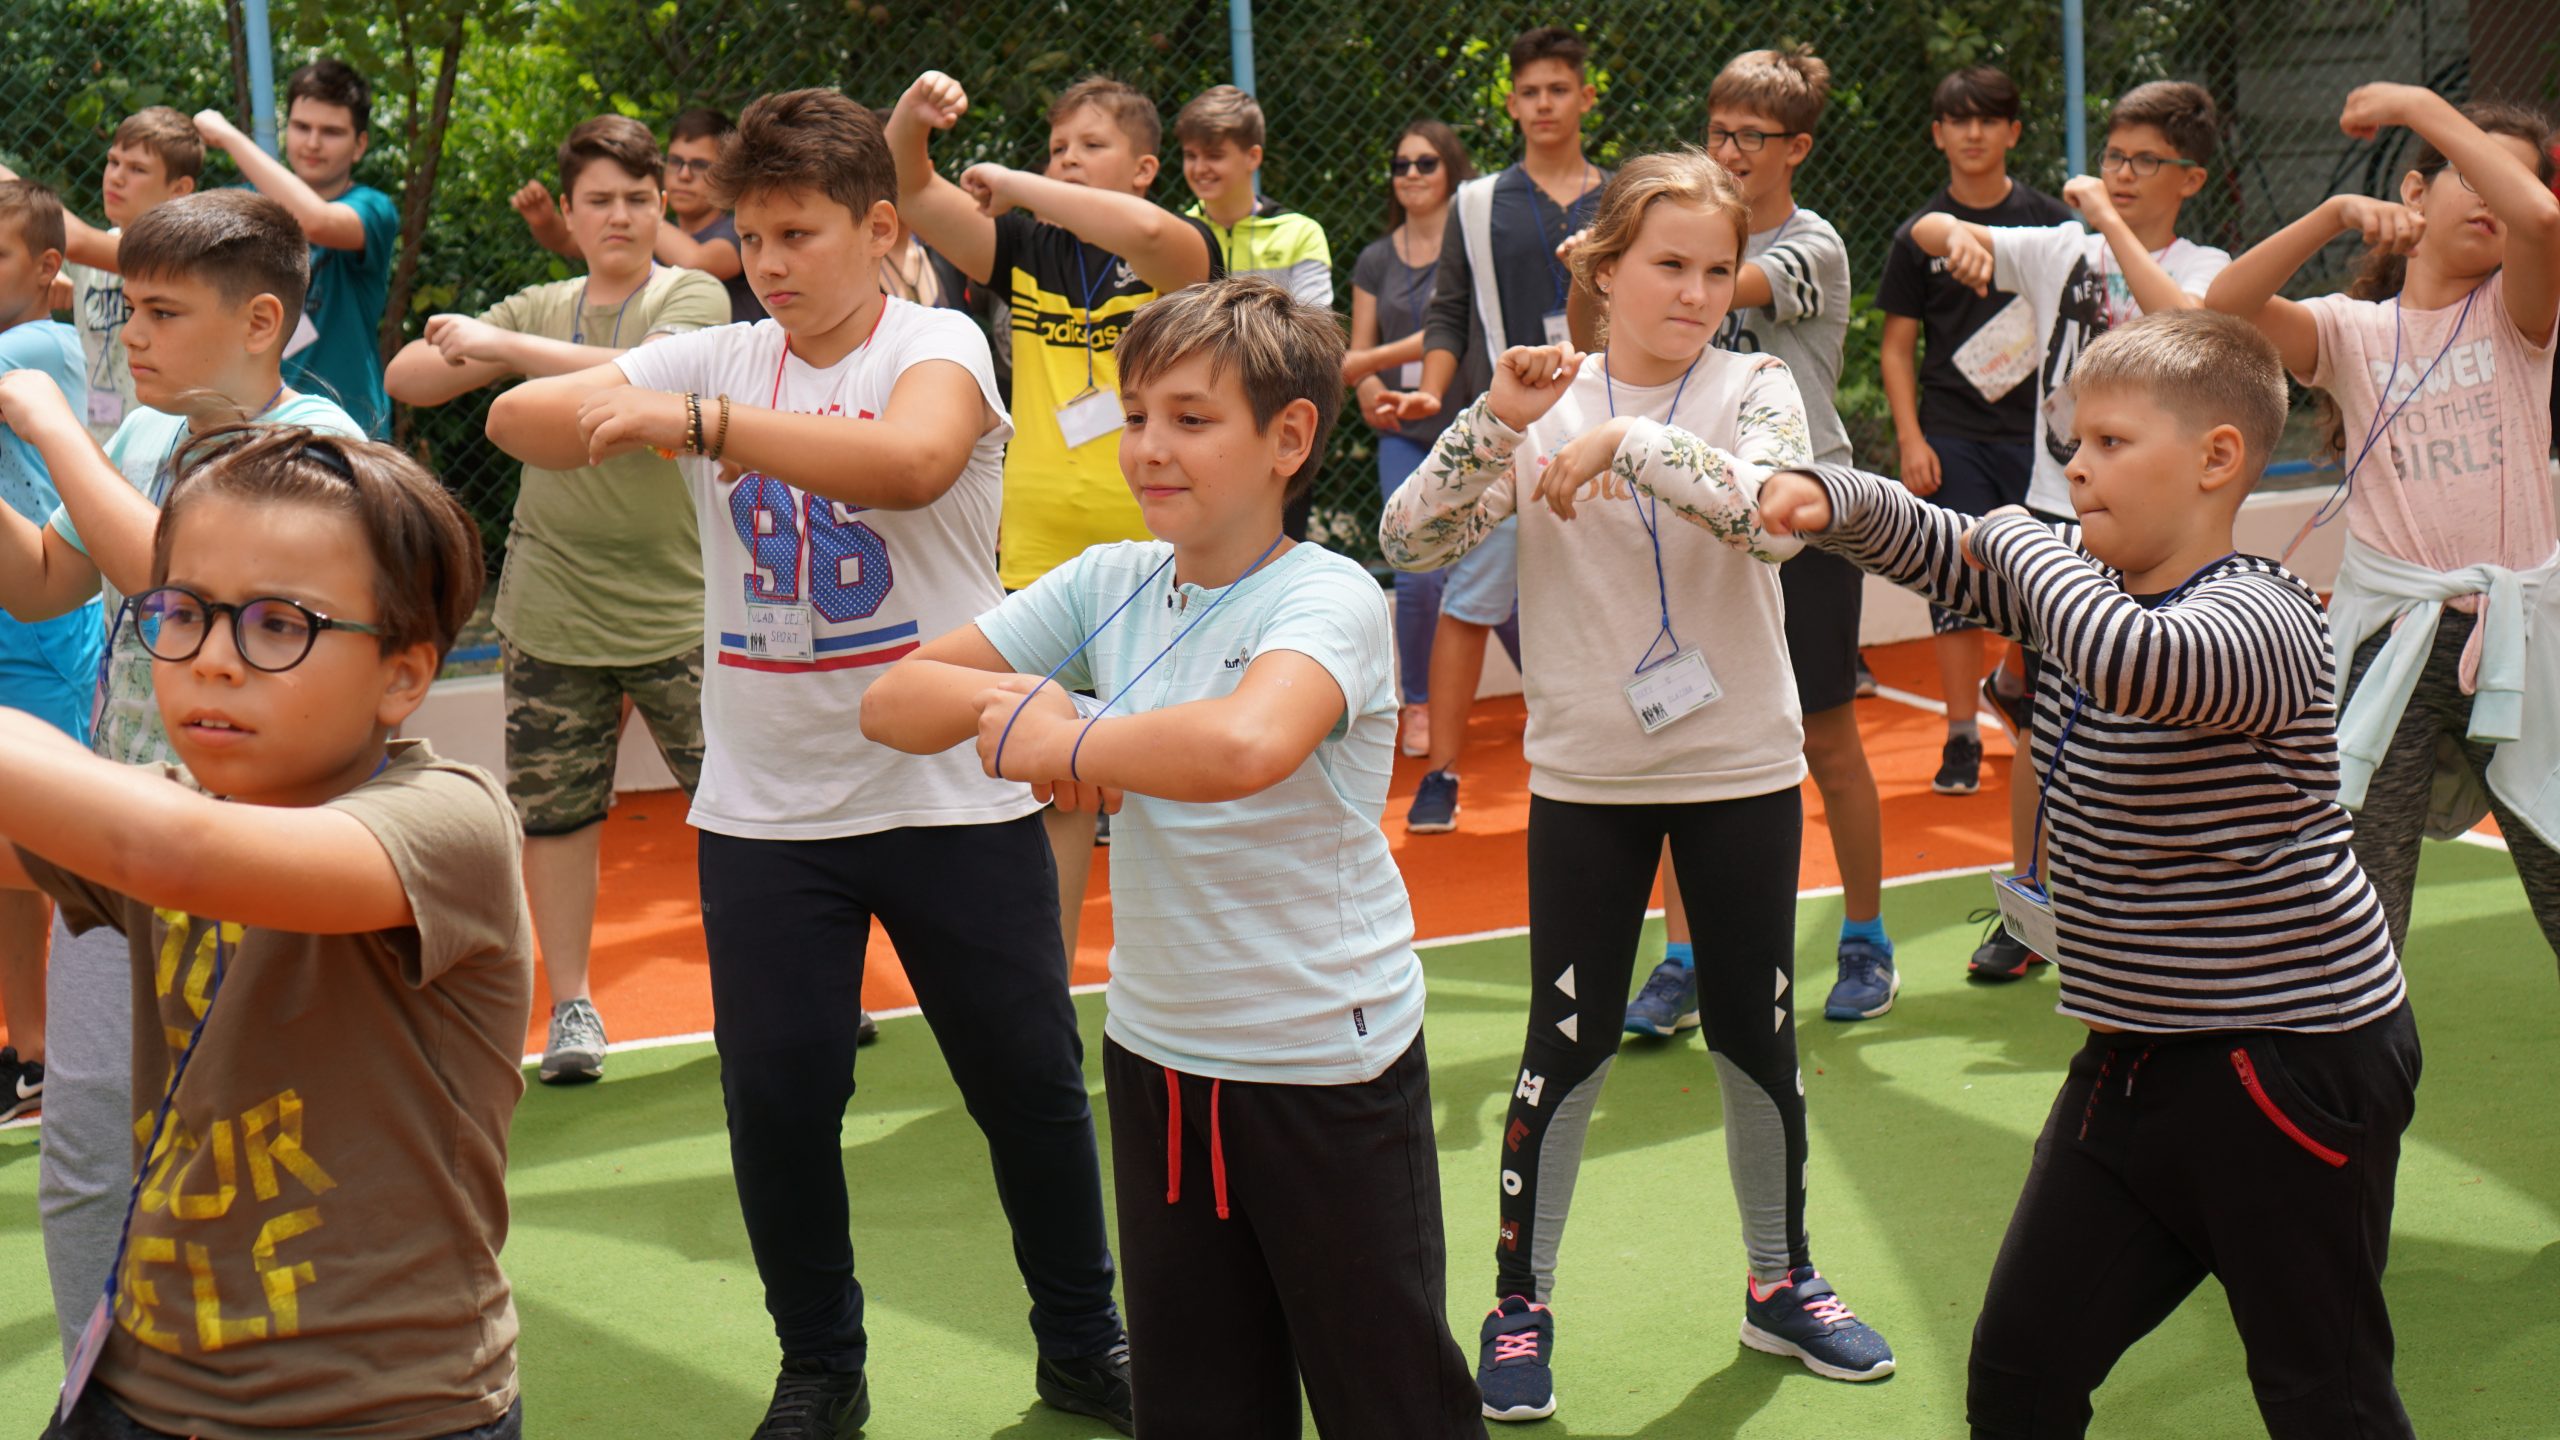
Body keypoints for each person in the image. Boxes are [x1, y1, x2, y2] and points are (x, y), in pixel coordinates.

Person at [485, 88, 1132, 1439]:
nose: (771, 263)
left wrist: (695, 425)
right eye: (753, 236)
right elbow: (517, 427)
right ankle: (821, 1369)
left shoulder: (934, 341)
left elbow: (912, 462)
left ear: (880, 229)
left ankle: (1084, 1343)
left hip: (949, 795)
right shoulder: (720, 355)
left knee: (1026, 1087)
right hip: (768, 815)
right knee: (778, 1103)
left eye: (800, 233)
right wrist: (616, 398)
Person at [1758, 308, 2419, 1440]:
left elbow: (2131, 660)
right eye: (2074, 443)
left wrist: (2022, 542)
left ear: (2217, 459)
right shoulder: (2084, 584)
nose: (2075, 466)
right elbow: (1943, 544)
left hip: (2288, 1056)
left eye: (2111, 443)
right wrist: (1829, 498)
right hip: (2132, 1055)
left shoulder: (2262, 617)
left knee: (2325, 1395)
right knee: (2020, 1375)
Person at [866, 276, 1485, 1440]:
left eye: (1191, 420)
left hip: (1323, 1066)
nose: (1150, 447)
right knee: (1196, 1403)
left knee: (1388, 1399)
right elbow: (893, 700)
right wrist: (1036, 703)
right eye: (1137, 414)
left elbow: (1247, 744)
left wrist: (1069, 738)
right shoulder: (1111, 581)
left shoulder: (1328, 595)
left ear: (1288, 438)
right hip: (1158, 1055)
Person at [1383, 150, 1895, 1424]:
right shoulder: (1539, 402)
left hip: (1740, 770)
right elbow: (1410, 541)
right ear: (1603, 270)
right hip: (1589, 781)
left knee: (1755, 1034)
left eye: (1716, 269)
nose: (1695, 292)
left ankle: (1780, 1282)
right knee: (1566, 1041)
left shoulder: (1756, 384)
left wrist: (1632, 439)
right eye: (1668, 264)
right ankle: (1519, 1303)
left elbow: (1773, 520)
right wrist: (1498, 418)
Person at [13, 424, 532, 1440]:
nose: (213, 660)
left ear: (403, 676)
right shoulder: (169, 809)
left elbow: (174, 854)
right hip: (139, 1388)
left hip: (384, 1412)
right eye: (184, 613)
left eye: (279, 625)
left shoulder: (449, 822)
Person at [0, 189, 365, 1364]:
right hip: (119, 851)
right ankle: (95, 1392)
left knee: (261, 1145)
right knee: (89, 1144)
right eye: (131, 311)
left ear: (260, 321)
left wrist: (50, 426)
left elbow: (177, 591)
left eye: (162, 313)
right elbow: (46, 580)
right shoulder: (147, 435)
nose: (134, 337)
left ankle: (284, 1391)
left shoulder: (316, 447)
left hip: (257, 858)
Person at [387, 115, 731, 1084]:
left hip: (685, 609)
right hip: (552, 609)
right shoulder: (542, 306)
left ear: (661, 207)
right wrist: (490, 347)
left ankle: (775, 978)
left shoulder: (692, 293)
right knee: (557, 817)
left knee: (738, 808)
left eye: (637, 199)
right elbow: (409, 375)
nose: (619, 216)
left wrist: (506, 346)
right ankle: (573, 1006)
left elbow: (658, 373)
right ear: (569, 216)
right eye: (599, 201)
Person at [2205, 87, 2560, 971]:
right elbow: (2227, 306)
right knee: (2364, 905)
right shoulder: (2352, 330)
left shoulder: (2520, 313)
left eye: (2503, 175)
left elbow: (2541, 219)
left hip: (2518, 641)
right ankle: (2361, 1057)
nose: (2491, 192)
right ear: (2412, 192)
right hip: (2390, 644)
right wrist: (2332, 213)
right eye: (2469, 171)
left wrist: (2418, 104)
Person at [887, 67, 1220, 955]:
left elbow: (1146, 232)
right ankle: (1053, 995)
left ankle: (1198, 980)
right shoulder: (1028, 250)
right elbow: (912, 191)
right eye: (1056, 147)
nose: (1066, 159)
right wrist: (912, 121)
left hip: (1165, 561)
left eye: (1090, 146)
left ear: (1145, 168)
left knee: (1177, 790)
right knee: (1056, 787)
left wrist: (1021, 183)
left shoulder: (1180, 249)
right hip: (1042, 564)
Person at [1908, 78, 2232, 981]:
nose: (2121, 173)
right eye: (2115, 156)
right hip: (2062, 512)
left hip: (2165, 534)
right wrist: (1955, 238)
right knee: (2051, 725)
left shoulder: (2203, 264)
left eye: (2145, 161)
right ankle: (2030, 904)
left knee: (2153, 717)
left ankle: (2158, 902)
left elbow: (2182, 322)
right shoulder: (2061, 248)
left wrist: (2108, 222)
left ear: (2190, 178)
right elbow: (1925, 231)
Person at [1626, 43, 1900, 1028]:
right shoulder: (1686, 240)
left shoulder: (1808, 247)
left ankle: (1865, 941)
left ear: (1798, 148)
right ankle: (1683, 961)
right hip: (1700, 516)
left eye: (1753, 136)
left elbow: (1715, 285)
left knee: (1826, 737)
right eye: (1718, 132)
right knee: (1681, 735)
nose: (1732, 151)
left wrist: (1634, 256)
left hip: (1802, 516)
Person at [1395, 25, 1598, 834]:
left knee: (1612, 588)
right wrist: (1431, 390)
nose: (1544, 104)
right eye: (1530, 92)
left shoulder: (1627, 197)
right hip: (1516, 429)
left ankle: (1609, 760)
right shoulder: (1477, 203)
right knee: (1470, 599)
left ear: (1586, 97)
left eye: (1559, 89)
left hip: (1609, 426)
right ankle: (1441, 774)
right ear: (1511, 103)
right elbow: (1448, 313)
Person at [1876, 66, 2075, 797]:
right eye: (1958, 120)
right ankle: (1961, 734)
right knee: (1958, 585)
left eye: (1988, 119)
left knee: (2043, 585)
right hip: (1953, 433)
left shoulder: (2051, 225)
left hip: (2041, 440)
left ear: (2013, 132)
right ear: (1938, 134)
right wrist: (1911, 439)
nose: (1973, 133)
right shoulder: (1917, 235)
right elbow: (1896, 347)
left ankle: (2020, 692)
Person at [0, 181, 108, 1127]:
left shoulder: (40, 344)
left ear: (45, 271)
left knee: (53, 837)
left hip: (43, 619)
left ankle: (96, 1040)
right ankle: (31, 1057)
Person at [1347, 120, 1474, 757]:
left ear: (1451, 170)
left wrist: (1362, 366)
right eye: (1402, 165)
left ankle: (1551, 696)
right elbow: (1358, 352)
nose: (1412, 175)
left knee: (1500, 570)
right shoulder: (1376, 258)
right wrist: (1370, 391)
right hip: (1405, 434)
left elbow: (1453, 329)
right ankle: (1417, 704)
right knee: (1419, 572)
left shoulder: (1473, 245)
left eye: (1426, 163)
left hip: (1474, 431)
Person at [193, 59, 402, 438]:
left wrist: (230, 137)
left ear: (360, 145)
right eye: (302, 127)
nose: (313, 143)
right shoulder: (239, 203)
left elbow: (317, 221)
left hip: (348, 430)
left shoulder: (373, 208)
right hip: (250, 426)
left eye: (331, 132)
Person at [0, 108, 203, 446]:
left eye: (137, 169)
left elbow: (76, 243)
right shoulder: (95, 253)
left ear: (179, 189)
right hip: (96, 433)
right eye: (113, 162)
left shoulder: (179, 255)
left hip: (158, 438)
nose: (116, 177)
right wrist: (42, 277)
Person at [516, 106, 767, 326]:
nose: (684, 175)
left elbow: (697, 263)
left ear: (725, 172)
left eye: (699, 165)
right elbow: (569, 241)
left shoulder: (738, 229)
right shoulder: (651, 233)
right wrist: (545, 221)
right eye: (675, 161)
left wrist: (644, 214)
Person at [1175, 86, 1333, 307]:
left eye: (1214, 155)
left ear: (1253, 157)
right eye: (1190, 156)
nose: (1199, 168)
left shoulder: (1301, 234)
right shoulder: (1176, 233)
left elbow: (1315, 323)